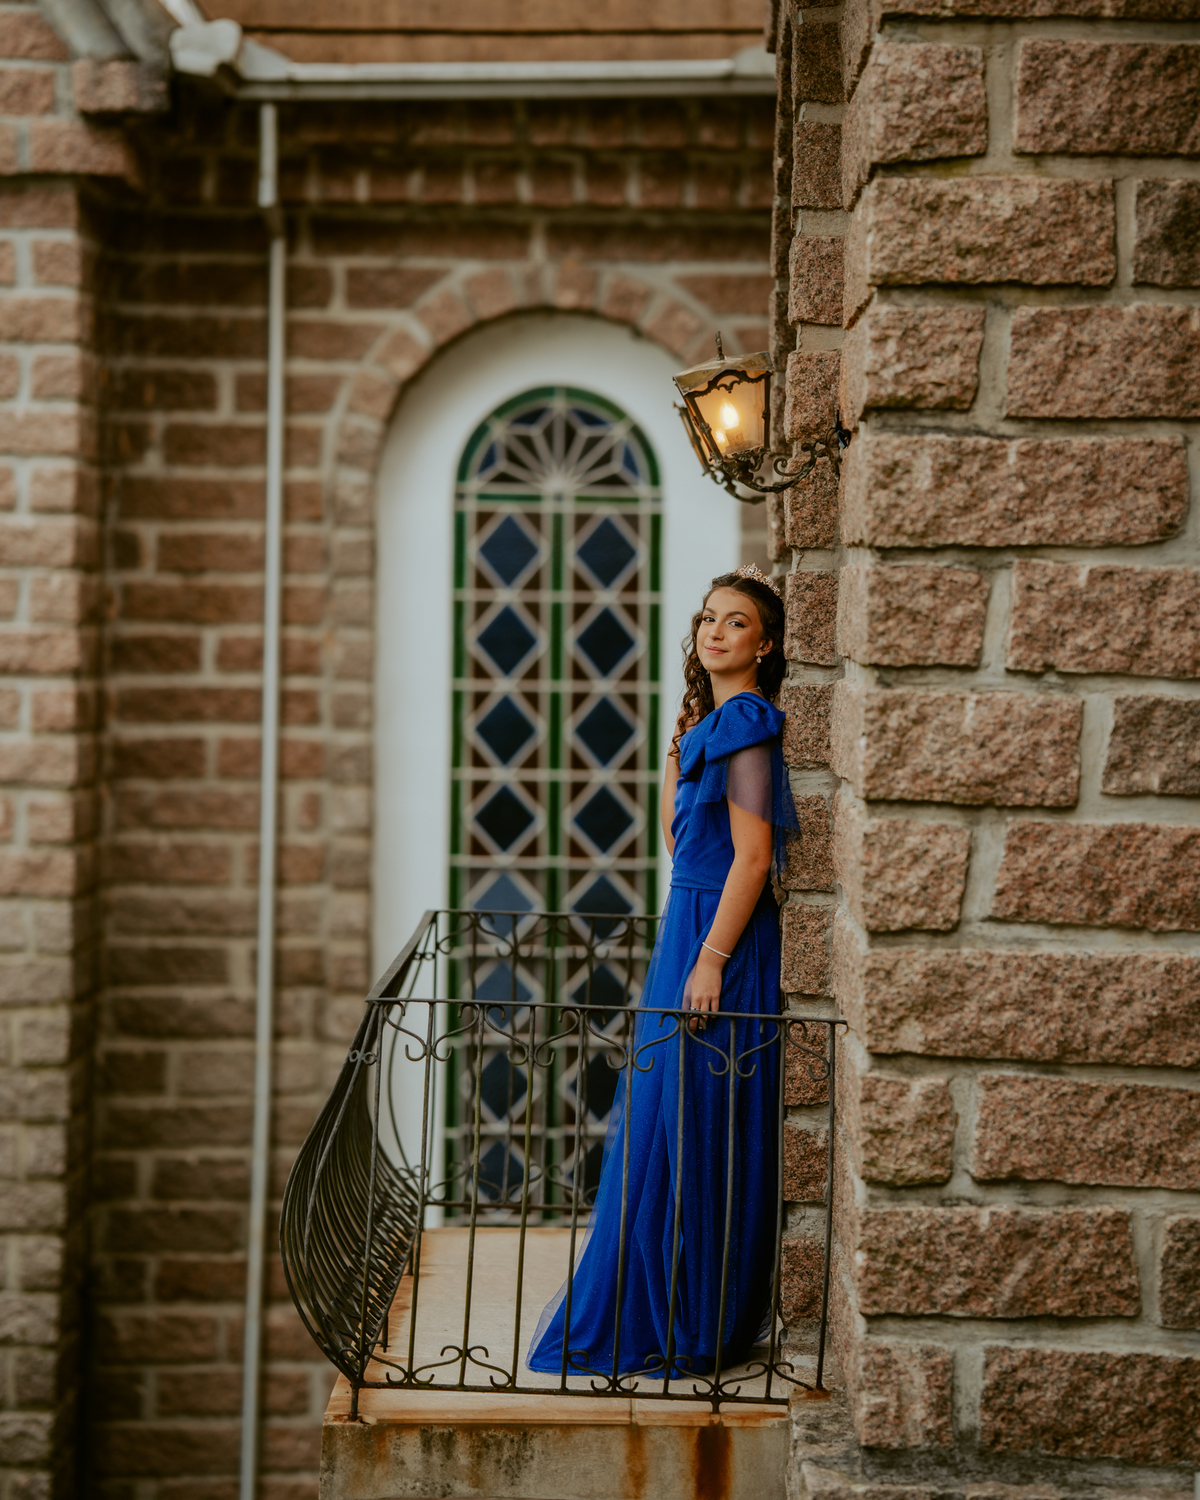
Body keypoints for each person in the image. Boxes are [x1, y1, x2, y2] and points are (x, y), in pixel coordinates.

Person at [527, 563, 799, 1384]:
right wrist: (680, 750)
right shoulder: (711, 724)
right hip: (688, 927)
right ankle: (672, 1303)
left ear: (767, 644)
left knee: (700, 1121)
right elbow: (683, 844)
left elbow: (752, 859)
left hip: (720, 939)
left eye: (737, 622)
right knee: (665, 1122)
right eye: (709, 619)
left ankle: (696, 1315)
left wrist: (712, 960)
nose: (716, 631)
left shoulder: (748, 719)